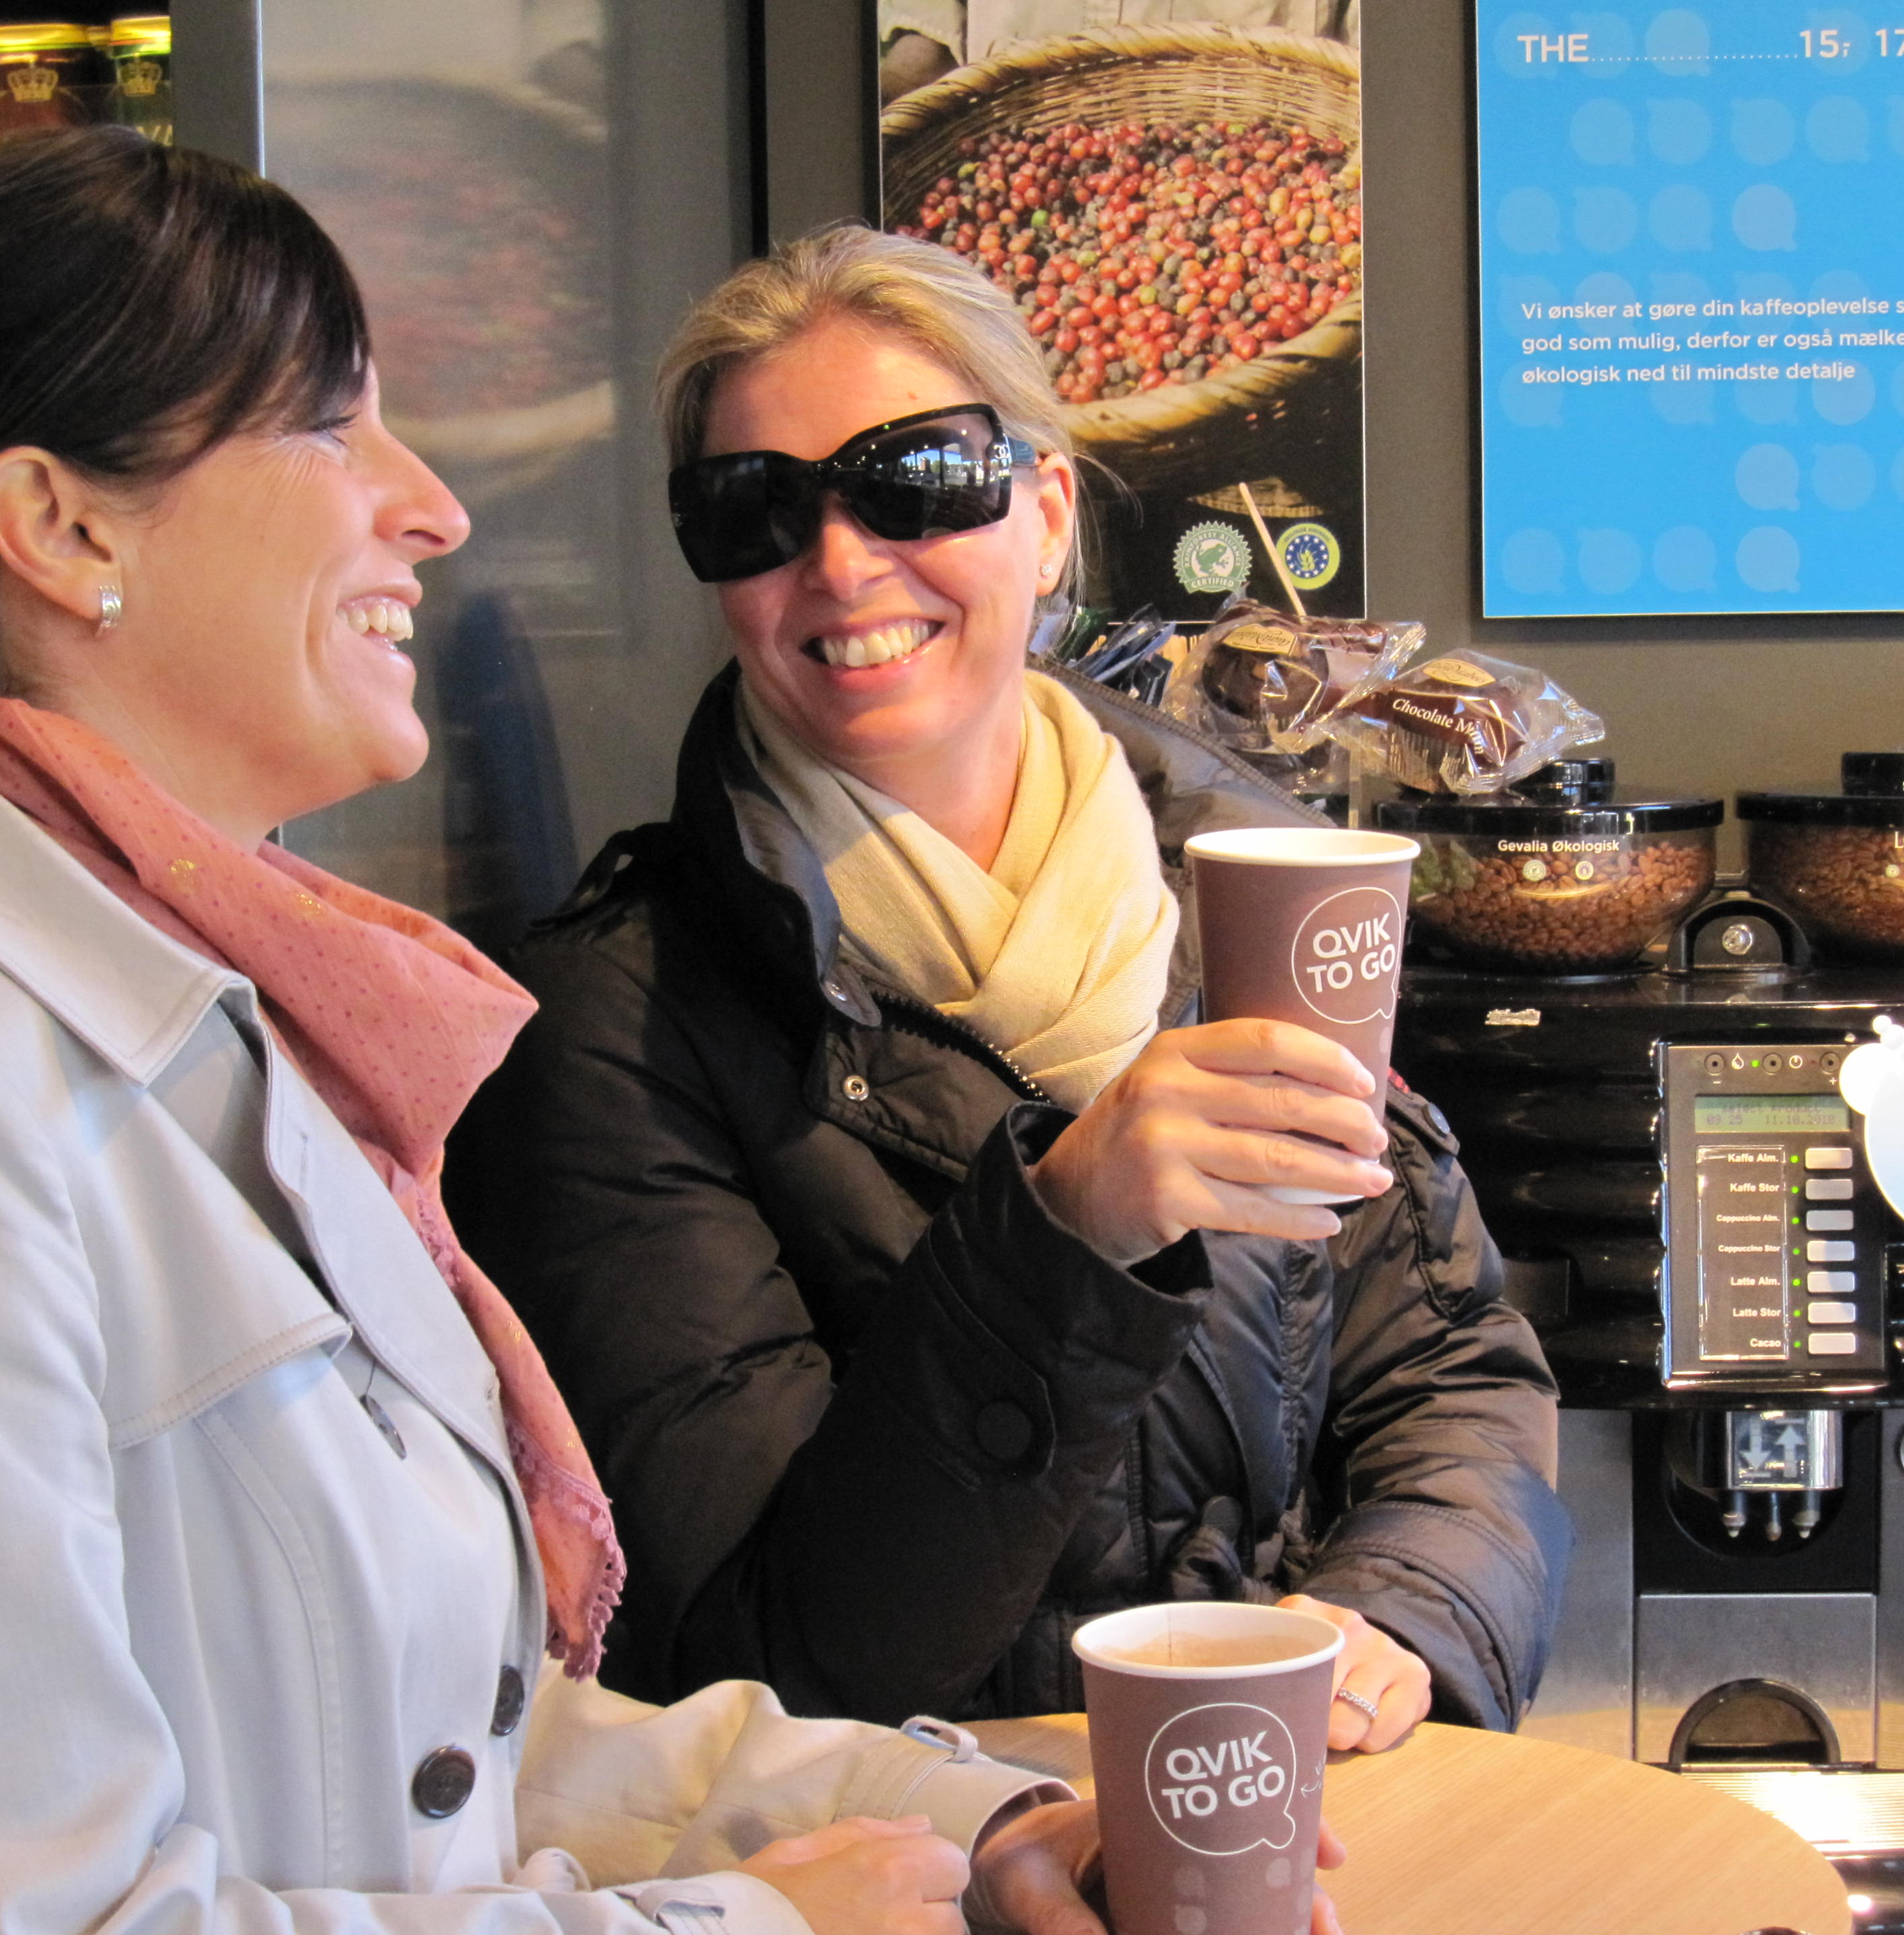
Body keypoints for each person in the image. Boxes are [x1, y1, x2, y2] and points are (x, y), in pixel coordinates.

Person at [0, 133, 1331, 1935]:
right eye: (331, 427)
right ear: (65, 528)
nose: (432, 510)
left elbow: (441, 1744)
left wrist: (958, 1824)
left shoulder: (213, 1017)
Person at [447, 225, 1572, 1748]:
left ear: (1044, 516)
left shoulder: (1238, 900)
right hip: (927, 1855)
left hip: (1278, 1798)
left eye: (913, 481)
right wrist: (1067, 1229)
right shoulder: (610, 1024)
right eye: (754, 508)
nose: (841, 564)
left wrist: (1401, 1611)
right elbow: (763, 1657)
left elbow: (1448, 1366)